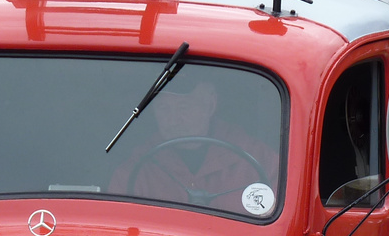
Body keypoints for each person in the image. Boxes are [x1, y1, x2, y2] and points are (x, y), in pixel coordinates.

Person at [109, 77, 276, 214]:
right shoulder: (137, 170)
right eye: (163, 108)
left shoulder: (259, 160)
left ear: (210, 104)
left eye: (184, 107)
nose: (173, 120)